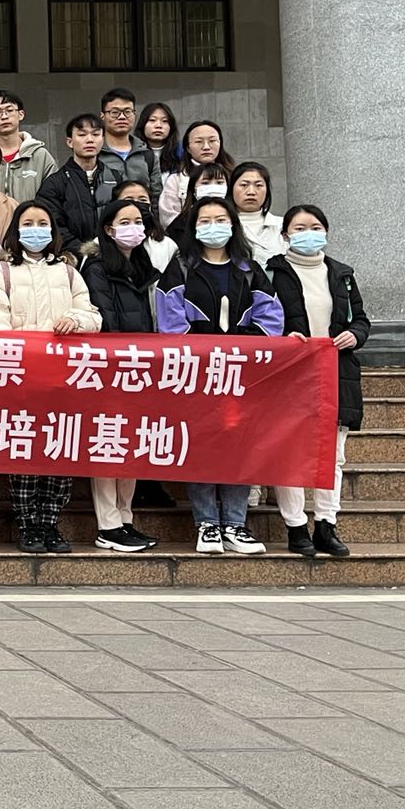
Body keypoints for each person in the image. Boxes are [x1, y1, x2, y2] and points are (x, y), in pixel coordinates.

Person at [155, 196, 284, 555]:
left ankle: (236, 524)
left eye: (220, 219)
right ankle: (207, 524)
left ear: (232, 225)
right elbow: (169, 322)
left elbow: (271, 319)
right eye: (205, 220)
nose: (213, 227)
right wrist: (205, 351)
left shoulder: (249, 269)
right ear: (194, 228)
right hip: (197, 375)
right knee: (202, 447)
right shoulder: (181, 268)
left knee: (239, 446)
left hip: (242, 376)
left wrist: (240, 347)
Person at [0, 203, 102, 553]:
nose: (36, 229)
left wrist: (76, 321)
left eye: (43, 223)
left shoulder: (68, 272)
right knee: (25, 452)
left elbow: (93, 315)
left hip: (63, 380)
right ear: (17, 230)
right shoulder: (1, 272)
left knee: (59, 451)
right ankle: (28, 524)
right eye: (28, 223)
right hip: (21, 378)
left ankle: (50, 523)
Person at [268, 205, 368, 559]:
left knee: (332, 456)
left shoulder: (342, 274)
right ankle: (296, 526)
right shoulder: (271, 273)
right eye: (299, 228)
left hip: (336, 372)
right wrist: (283, 338)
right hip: (290, 374)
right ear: (285, 235)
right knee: (289, 454)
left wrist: (355, 335)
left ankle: (326, 524)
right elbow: (261, 320)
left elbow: (361, 319)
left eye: (315, 227)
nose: (308, 233)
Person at [81, 198, 162, 553]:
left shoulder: (144, 265)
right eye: (124, 222)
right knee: (107, 444)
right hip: (110, 368)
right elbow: (104, 315)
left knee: (131, 446)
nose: (134, 228)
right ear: (109, 229)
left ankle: (125, 519)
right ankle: (108, 524)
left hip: (142, 369)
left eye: (138, 221)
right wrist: (119, 359)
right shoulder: (97, 266)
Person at [36, 113, 105, 249]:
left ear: (103, 140)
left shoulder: (114, 178)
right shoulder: (54, 183)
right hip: (71, 256)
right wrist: (84, 251)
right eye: (82, 134)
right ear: (69, 142)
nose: (90, 140)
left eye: (96, 134)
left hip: (112, 256)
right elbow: (53, 225)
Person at [0, 90, 59, 204]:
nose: (4, 116)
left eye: (9, 110)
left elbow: (54, 199)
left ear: (21, 114)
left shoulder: (41, 156)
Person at [93, 87, 164, 205]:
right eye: (114, 112)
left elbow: (156, 197)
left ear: (134, 114)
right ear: (102, 116)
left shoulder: (147, 154)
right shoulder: (95, 153)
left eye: (127, 112)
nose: (122, 117)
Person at [159, 119, 235, 227]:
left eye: (212, 141)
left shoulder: (233, 176)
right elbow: (168, 217)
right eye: (199, 142)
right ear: (187, 148)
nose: (206, 147)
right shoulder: (176, 180)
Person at [113, 180, 178, 273]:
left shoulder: (168, 245)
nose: (136, 204)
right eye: (129, 200)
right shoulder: (101, 245)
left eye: (143, 200)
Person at [166, 162, 233, 246]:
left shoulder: (234, 217)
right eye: (205, 183)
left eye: (219, 182)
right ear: (193, 188)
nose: (213, 186)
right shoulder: (180, 224)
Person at [230, 162, 285, 262]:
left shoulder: (282, 225)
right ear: (231, 189)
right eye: (244, 185)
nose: (251, 192)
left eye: (258, 185)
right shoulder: (223, 226)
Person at [139, 102, 181, 179]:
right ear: (143, 124)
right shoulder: (133, 152)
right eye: (152, 120)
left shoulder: (181, 152)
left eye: (164, 121)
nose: (158, 125)